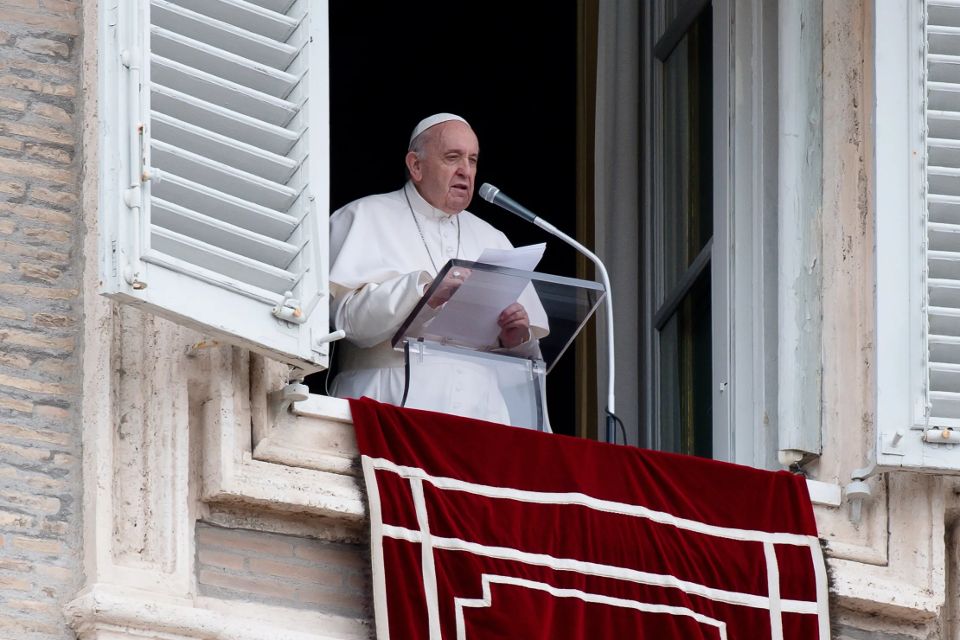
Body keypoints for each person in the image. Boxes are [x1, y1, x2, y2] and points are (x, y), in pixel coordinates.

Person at [328, 113, 548, 425]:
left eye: (472, 160)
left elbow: (525, 369)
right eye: (452, 157)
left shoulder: (494, 239)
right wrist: (425, 293)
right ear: (415, 166)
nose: (466, 171)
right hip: (386, 401)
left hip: (481, 415)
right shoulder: (362, 216)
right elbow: (347, 322)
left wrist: (517, 338)